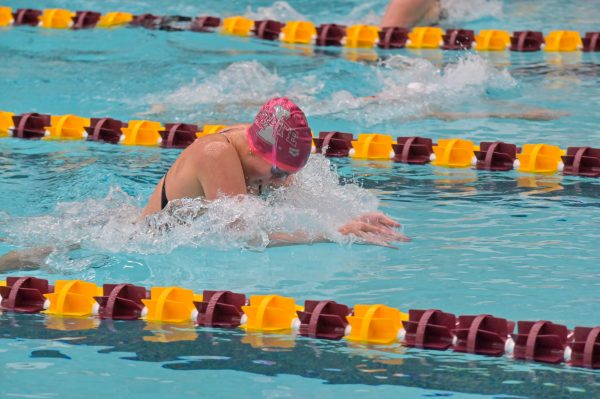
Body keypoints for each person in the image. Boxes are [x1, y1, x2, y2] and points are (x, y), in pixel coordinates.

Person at [142, 97, 409, 248]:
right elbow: (244, 237)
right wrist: (330, 233)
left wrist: (351, 219)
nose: (282, 180)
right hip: (147, 242)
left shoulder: (264, 154)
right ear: (252, 150)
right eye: (279, 171)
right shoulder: (216, 154)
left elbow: (306, 206)